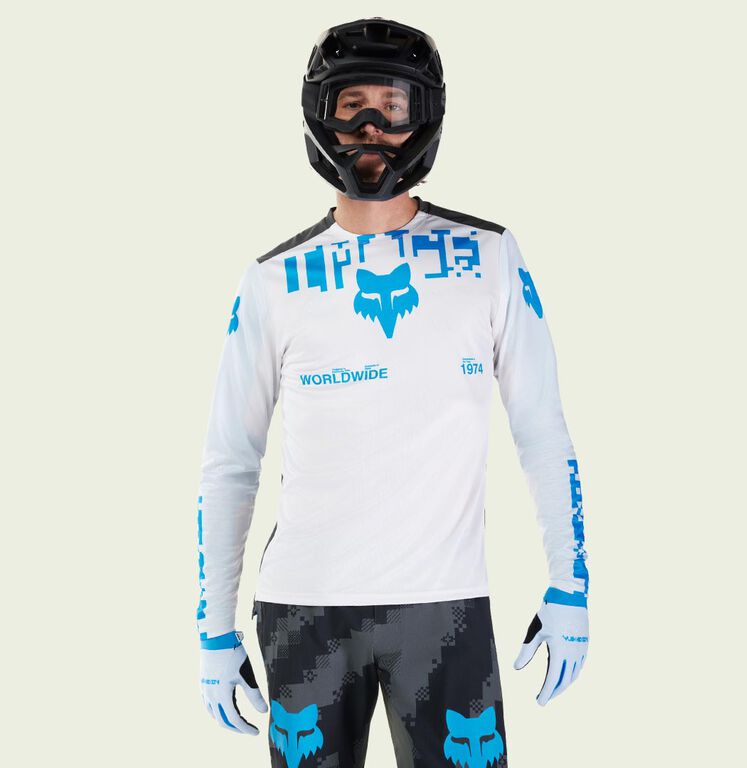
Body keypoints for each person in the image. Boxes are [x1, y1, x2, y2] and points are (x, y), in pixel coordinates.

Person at [196, 17, 589, 767]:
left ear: (424, 115)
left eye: (392, 105)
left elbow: (542, 429)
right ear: (321, 114)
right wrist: (214, 627)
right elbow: (230, 459)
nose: (371, 127)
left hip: (445, 608)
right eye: (352, 106)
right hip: (305, 610)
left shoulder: (489, 257)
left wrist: (570, 583)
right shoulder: (273, 280)